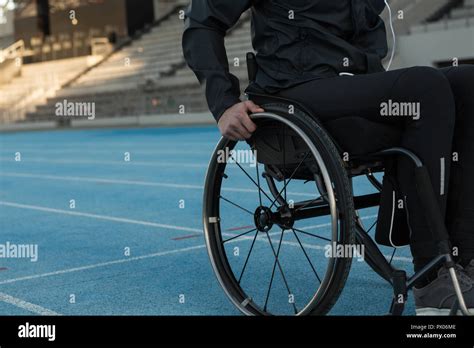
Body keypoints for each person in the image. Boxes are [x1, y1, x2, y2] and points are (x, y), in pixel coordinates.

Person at [182, 0, 474, 315]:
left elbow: (373, 34)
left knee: (466, 81)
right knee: (425, 86)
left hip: (349, 88)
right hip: (293, 91)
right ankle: (432, 281)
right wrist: (223, 102)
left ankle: (464, 259)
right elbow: (201, 20)